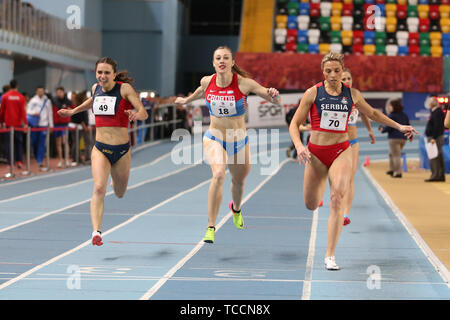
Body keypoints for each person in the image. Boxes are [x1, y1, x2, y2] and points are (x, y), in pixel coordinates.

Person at [289, 53, 417, 270]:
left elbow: (374, 113)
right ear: (323, 72)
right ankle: (319, 187)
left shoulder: (352, 94)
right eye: (328, 71)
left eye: (336, 71)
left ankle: (330, 255)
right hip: (316, 153)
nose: (332, 75)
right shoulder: (312, 93)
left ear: (342, 72)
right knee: (310, 204)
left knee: (337, 197)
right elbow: (294, 124)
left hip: (341, 149)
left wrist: (399, 126)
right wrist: (300, 146)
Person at [175, 46, 281, 244]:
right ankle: (211, 226)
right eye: (218, 58)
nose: (222, 61)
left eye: (226, 58)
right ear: (213, 63)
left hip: (239, 141)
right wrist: (187, 100)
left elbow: (273, 99)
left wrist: (274, 95)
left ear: (232, 62)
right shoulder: (207, 81)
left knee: (239, 182)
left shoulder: (244, 84)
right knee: (218, 175)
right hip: (214, 137)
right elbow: (200, 91)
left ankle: (237, 209)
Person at [58, 57, 148, 246]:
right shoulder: (95, 88)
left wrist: (136, 114)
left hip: (121, 151)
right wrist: (73, 111)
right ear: (96, 73)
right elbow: (92, 101)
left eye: (107, 72)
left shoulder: (124, 89)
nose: (102, 76)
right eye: (99, 72)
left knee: (120, 192)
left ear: (114, 75)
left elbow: (144, 112)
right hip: (100, 148)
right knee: (99, 188)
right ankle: (96, 232)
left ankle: (114, 179)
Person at [340, 68, 376, 226]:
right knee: (338, 178)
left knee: (350, 178)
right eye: (343, 79)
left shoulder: (355, 95)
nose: (346, 81)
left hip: (353, 143)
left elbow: (365, 114)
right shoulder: (332, 96)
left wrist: (369, 130)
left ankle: (345, 213)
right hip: (337, 143)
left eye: (348, 78)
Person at [379, 98, 411, 178]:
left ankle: (398, 173)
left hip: (394, 139)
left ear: (394, 106)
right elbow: (407, 125)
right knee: (391, 153)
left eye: (390, 106)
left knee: (396, 155)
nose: (389, 107)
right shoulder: (404, 115)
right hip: (403, 139)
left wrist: (383, 130)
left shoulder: (391, 115)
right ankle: (392, 169)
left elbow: (389, 127)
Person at [0, 80, 27, 168]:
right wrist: (25, 123)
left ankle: (10, 162)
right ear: (17, 86)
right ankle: (19, 161)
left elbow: (2, 111)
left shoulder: (5, 96)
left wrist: (1, 122)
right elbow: (23, 111)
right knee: (18, 143)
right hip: (18, 124)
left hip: (8, 124)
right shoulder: (21, 97)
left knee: (9, 143)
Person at [26, 85, 53, 170]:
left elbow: (50, 113)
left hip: (43, 124)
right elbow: (27, 111)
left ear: (44, 91)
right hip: (34, 125)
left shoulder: (47, 101)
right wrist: (33, 113)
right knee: (34, 142)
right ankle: (36, 155)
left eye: (42, 91)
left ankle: (39, 160)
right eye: (39, 91)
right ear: (36, 92)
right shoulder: (33, 100)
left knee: (42, 143)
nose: (40, 92)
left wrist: (51, 125)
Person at [424, 97, 446, 182]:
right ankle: (440, 175)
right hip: (436, 137)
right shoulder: (436, 112)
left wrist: (434, 137)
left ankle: (435, 175)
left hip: (435, 138)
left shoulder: (436, 112)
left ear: (431, 104)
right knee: (438, 156)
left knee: (434, 157)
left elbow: (437, 126)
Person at [69, 91, 91, 165]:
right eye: (85, 97)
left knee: (82, 142)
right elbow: (80, 118)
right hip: (77, 127)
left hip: (81, 126)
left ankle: (82, 158)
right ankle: (75, 158)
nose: (87, 98)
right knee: (76, 143)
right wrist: (85, 126)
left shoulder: (83, 105)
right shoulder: (78, 106)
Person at [52, 86, 72, 168]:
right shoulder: (54, 101)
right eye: (57, 92)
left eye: (60, 92)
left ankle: (67, 159)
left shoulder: (68, 101)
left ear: (63, 92)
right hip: (57, 124)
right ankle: (60, 160)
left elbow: (72, 111)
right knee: (58, 143)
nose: (59, 94)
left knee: (65, 142)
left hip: (65, 124)